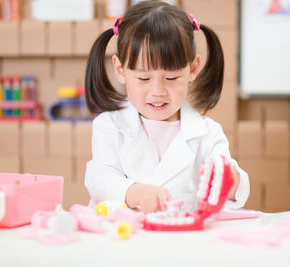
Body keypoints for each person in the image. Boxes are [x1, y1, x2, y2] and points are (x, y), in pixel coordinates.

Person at [84, 0, 249, 214]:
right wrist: (138, 193)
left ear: (192, 69)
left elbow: (228, 183)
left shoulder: (207, 134)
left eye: (171, 77)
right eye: (143, 78)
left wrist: (230, 181)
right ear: (120, 70)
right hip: (123, 240)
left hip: (180, 241)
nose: (157, 91)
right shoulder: (109, 126)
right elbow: (100, 180)